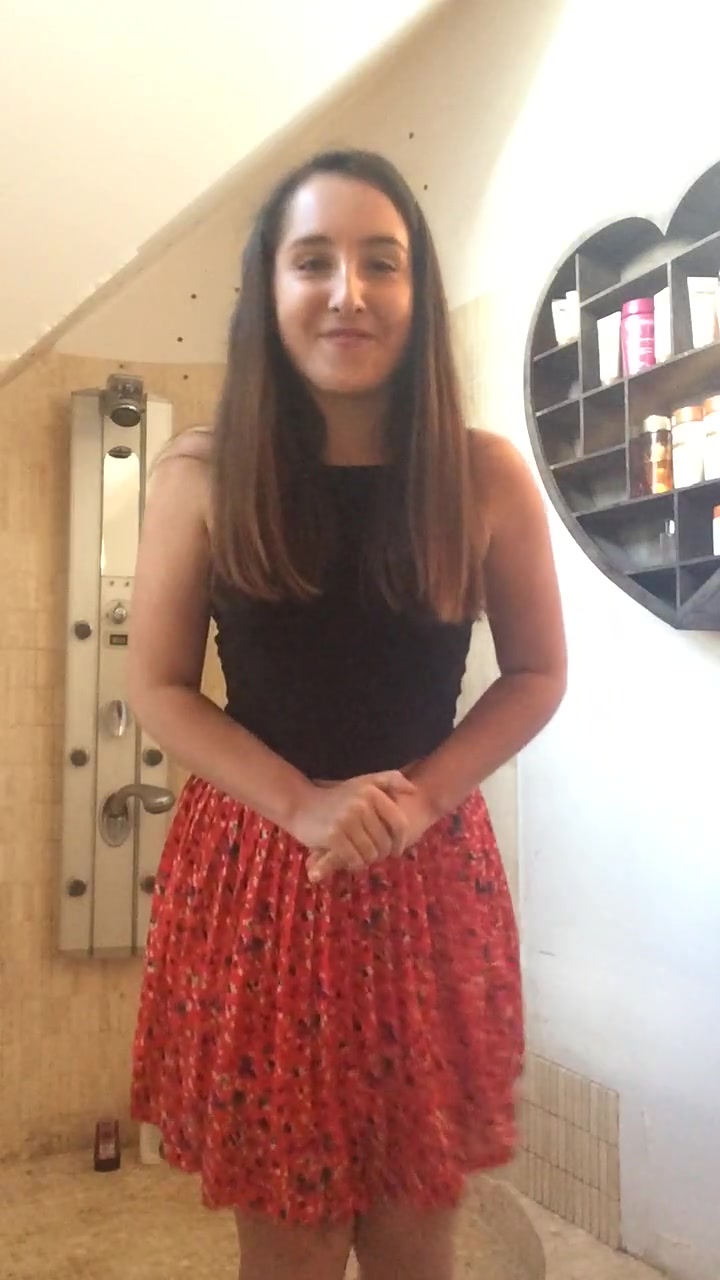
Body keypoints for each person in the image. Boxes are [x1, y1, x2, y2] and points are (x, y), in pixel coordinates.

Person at [128, 147, 567, 1280]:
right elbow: (158, 684)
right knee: (290, 1242)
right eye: (313, 260)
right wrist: (302, 803)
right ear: (268, 289)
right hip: (258, 877)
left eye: (382, 261)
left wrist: (419, 799)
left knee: (418, 1235)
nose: (348, 291)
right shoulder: (203, 474)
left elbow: (535, 673)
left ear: (419, 293)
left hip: (427, 876)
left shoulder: (483, 475)